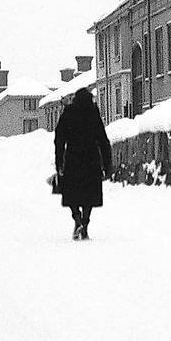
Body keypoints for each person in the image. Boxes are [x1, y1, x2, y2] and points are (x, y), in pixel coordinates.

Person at [53, 88, 112, 240]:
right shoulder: (93, 112)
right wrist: (107, 164)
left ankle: (77, 218)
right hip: (91, 158)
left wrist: (59, 162)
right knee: (89, 194)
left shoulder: (69, 112)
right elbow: (102, 139)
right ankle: (85, 223)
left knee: (71, 192)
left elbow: (59, 139)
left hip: (73, 158)